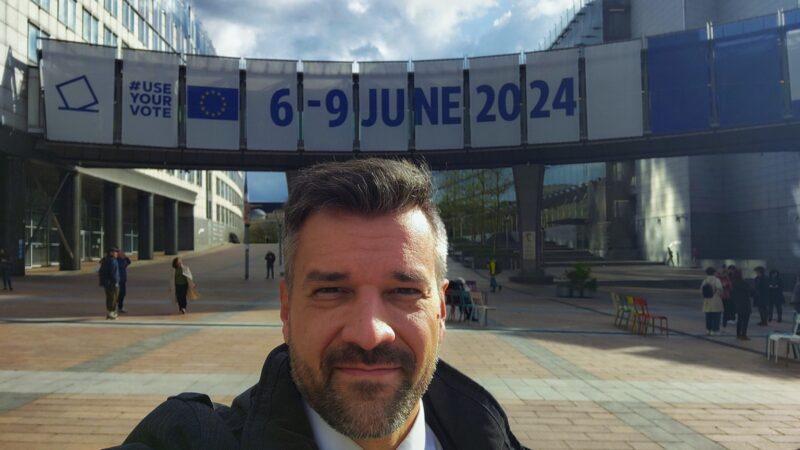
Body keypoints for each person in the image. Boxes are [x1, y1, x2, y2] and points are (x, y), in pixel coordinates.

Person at [114, 158, 527, 449]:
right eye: (331, 291)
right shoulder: (190, 439)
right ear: (287, 309)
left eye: (403, 291)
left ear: (440, 308)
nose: (369, 334)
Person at [99, 248, 120, 320]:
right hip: (112, 283)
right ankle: (112, 312)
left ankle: (110, 312)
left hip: (106, 283)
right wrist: (116, 282)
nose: (117, 253)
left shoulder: (105, 260)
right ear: (111, 253)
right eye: (115, 252)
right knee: (113, 297)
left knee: (109, 297)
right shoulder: (113, 261)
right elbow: (113, 273)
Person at [730, 268, 752, 340]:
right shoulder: (743, 283)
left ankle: (738, 334)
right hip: (745, 303)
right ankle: (744, 335)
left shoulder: (733, 283)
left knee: (739, 320)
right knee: (745, 320)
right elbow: (750, 291)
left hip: (738, 303)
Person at [700, 267, 723, 335]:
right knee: (716, 316)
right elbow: (720, 289)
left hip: (707, 300)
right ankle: (715, 330)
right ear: (714, 272)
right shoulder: (716, 280)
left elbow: (701, 290)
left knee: (708, 316)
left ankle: (708, 329)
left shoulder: (705, 280)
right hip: (715, 299)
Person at [117, 249, 132, 314]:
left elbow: (129, 262)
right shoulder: (116, 260)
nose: (123, 253)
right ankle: (114, 308)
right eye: (121, 252)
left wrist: (125, 257)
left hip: (123, 280)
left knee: (123, 294)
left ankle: (120, 307)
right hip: (117, 280)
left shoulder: (123, 260)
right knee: (117, 294)